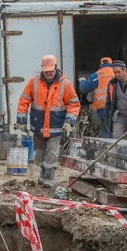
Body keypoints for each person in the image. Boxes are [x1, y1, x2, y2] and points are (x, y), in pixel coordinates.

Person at [16, 55, 81, 187]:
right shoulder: (33, 82)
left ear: (56, 68)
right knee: (39, 152)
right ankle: (42, 173)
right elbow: (23, 101)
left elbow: (74, 104)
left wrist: (69, 121)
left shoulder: (65, 84)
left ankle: (49, 178)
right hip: (38, 125)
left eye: (51, 70)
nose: (49, 73)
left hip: (55, 126)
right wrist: (21, 122)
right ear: (42, 69)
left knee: (52, 152)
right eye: (46, 71)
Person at [78, 57, 115, 137]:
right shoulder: (117, 73)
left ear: (101, 64)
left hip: (103, 107)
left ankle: (108, 148)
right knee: (115, 129)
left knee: (106, 130)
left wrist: (82, 80)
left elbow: (84, 88)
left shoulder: (98, 75)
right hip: (117, 106)